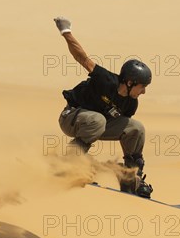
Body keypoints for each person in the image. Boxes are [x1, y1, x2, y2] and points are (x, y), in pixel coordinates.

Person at [54, 17, 153, 198]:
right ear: (130, 82)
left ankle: (130, 178)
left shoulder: (131, 103)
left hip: (95, 125)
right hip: (71, 117)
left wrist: (130, 165)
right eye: (142, 86)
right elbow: (82, 58)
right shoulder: (105, 80)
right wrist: (65, 31)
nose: (144, 91)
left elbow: (126, 135)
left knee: (136, 128)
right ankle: (69, 164)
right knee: (97, 120)